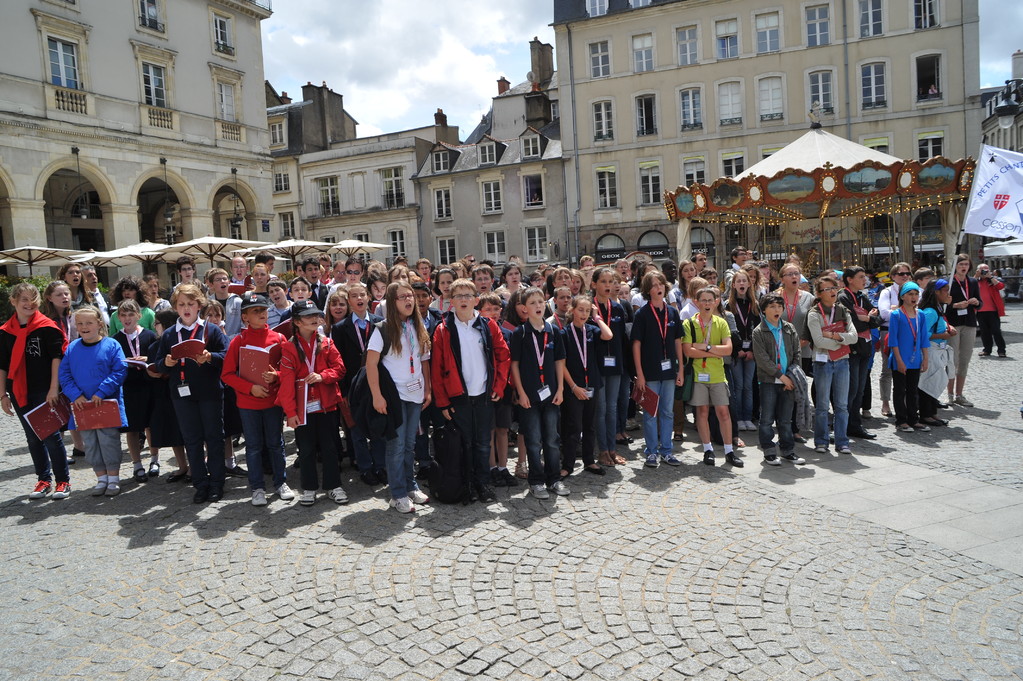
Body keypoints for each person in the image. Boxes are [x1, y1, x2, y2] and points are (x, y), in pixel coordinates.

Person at [430, 279, 511, 502]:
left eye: (468, 296)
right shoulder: (443, 330)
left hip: (484, 395)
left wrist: (499, 385)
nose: (463, 300)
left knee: (483, 443)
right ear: (451, 301)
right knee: (463, 444)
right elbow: (436, 370)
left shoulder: (488, 325)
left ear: (476, 300)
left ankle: (483, 484)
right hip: (458, 397)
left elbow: (503, 356)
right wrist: (443, 402)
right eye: (459, 296)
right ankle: (465, 485)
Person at [154, 284, 229, 503]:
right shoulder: (169, 334)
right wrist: (166, 362)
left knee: (214, 438)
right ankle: (200, 483)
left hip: (209, 392)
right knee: (192, 439)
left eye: (191, 304)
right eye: (181, 304)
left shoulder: (210, 329)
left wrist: (210, 357)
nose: (186, 308)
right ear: (176, 307)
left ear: (199, 305)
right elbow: (158, 364)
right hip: (182, 393)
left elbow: (226, 357)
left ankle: (216, 482)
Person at [221, 292, 295, 507]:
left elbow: (288, 369)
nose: (262, 314)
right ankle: (257, 487)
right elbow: (226, 374)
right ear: (245, 317)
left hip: (272, 402)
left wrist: (277, 376)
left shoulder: (278, 338)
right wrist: (250, 388)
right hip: (248, 403)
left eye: (263, 310)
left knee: (275, 443)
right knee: (253, 447)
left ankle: (281, 482)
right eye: (256, 311)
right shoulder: (238, 341)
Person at [0, 283, 71, 499]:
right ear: (13, 302)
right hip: (18, 390)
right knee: (32, 438)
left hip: (43, 390)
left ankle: (63, 481)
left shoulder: (47, 327)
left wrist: (53, 389)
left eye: (33, 298)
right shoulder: (4, 332)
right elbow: (2, 364)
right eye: (23, 299)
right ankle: (43, 479)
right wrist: (2, 394)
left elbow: (56, 359)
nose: (29, 303)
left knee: (50, 436)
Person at [367, 282, 432, 513]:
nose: (409, 300)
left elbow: (424, 360)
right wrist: (377, 396)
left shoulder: (418, 325)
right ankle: (397, 493)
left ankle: (410, 485)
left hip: (415, 393)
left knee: (410, 444)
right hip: (394, 396)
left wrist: (428, 389)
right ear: (392, 302)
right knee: (396, 445)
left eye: (411, 296)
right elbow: (371, 364)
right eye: (403, 296)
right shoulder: (382, 328)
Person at [278, 300, 347, 506]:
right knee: (305, 449)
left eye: (316, 315)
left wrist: (322, 376)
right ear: (297, 321)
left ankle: (334, 486)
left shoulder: (327, 342)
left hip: (327, 405)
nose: (314, 319)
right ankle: (308, 488)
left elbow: (340, 369)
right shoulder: (289, 347)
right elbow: (286, 382)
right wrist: (291, 412)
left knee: (330, 447)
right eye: (308, 316)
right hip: (303, 408)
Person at [58, 305, 128, 496]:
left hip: (104, 403)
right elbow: (64, 375)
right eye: (80, 323)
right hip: (82, 405)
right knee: (90, 442)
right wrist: (76, 395)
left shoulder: (112, 345)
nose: (84, 326)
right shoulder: (72, 348)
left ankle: (113, 477)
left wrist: (102, 391)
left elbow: (120, 370)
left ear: (99, 323)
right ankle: (101, 478)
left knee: (108, 440)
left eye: (89, 322)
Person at [510, 286, 567, 499]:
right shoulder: (520, 333)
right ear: (524, 308)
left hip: (551, 394)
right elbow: (514, 365)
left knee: (552, 438)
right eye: (532, 303)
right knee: (533, 439)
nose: (537, 306)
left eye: (540, 302)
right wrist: (521, 392)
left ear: (546, 305)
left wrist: (561, 388)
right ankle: (536, 480)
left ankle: (554, 479)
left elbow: (560, 361)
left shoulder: (553, 331)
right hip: (530, 397)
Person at [631, 271, 686, 467]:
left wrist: (681, 369)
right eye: (654, 285)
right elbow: (636, 344)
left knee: (667, 412)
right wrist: (640, 374)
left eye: (661, 284)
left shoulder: (672, 312)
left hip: (670, 371)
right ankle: (652, 451)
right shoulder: (642, 314)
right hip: (650, 372)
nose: (659, 288)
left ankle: (667, 450)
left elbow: (678, 341)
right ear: (647, 290)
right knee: (650, 413)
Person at [682, 286, 738, 467]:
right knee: (702, 412)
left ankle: (729, 451)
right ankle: (708, 449)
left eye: (710, 300)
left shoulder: (721, 322)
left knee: (723, 412)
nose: (707, 303)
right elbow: (688, 351)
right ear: (696, 303)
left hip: (717, 375)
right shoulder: (689, 323)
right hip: (699, 375)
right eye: (703, 300)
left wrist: (705, 348)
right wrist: (715, 352)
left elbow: (728, 349)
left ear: (716, 302)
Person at [560, 295, 612, 478]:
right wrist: (573, 387)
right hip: (574, 388)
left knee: (589, 425)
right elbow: (562, 364)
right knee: (573, 427)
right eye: (580, 310)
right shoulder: (564, 333)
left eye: (587, 311)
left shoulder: (592, 330)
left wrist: (597, 317)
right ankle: (567, 464)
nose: (583, 314)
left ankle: (589, 460)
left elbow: (608, 335)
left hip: (592, 385)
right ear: (572, 310)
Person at [751, 294, 805, 466]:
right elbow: (762, 359)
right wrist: (780, 376)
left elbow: (797, 353)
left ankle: (788, 450)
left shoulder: (789, 328)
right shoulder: (759, 331)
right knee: (766, 418)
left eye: (779, 307)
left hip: (788, 380)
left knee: (785, 419)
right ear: (764, 310)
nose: (777, 310)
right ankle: (769, 451)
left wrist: (790, 375)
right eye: (772, 307)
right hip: (769, 381)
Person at [806, 276, 858, 455]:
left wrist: (835, 337)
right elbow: (818, 341)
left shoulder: (843, 310)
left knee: (842, 404)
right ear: (819, 294)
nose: (832, 291)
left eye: (834, 287)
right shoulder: (814, 313)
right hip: (822, 362)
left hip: (842, 361)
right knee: (821, 405)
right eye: (827, 289)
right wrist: (842, 341)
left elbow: (854, 336)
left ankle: (842, 441)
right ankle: (821, 441)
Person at [112, 299, 158, 483]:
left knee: (150, 425)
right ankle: (137, 464)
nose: (127, 318)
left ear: (139, 316)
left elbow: (156, 358)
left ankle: (154, 459)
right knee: (132, 428)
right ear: (118, 318)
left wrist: (147, 357)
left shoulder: (149, 336)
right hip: (128, 387)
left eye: (131, 314)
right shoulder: (115, 339)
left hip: (148, 385)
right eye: (123, 315)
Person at [590, 267, 628, 467]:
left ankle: (612, 449)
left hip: (616, 365)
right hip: (597, 366)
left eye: (610, 281)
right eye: (603, 282)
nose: (607, 285)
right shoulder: (588, 308)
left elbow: (622, 340)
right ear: (594, 284)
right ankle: (602, 450)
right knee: (601, 408)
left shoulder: (618, 308)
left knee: (612, 408)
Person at [838, 266, 880, 440]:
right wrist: (865, 320)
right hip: (852, 349)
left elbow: (877, 320)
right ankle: (846, 425)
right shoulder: (843, 297)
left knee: (860, 388)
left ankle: (854, 424)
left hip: (865, 348)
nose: (865, 280)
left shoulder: (863, 296)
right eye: (861, 277)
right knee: (852, 389)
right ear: (850, 279)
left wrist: (868, 318)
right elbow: (849, 323)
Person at [147, 309, 187, 482]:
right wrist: (151, 372)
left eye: (157, 323)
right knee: (173, 432)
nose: (154, 326)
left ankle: (196, 465)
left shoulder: (180, 341)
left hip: (182, 392)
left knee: (188, 431)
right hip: (163, 394)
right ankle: (182, 466)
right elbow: (154, 364)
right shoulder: (154, 345)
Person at [888, 282, 931, 433]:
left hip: (915, 359)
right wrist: (899, 360)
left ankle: (914, 418)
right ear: (903, 296)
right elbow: (893, 340)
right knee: (900, 390)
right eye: (910, 294)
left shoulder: (921, 315)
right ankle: (901, 420)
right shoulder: (896, 315)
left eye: (916, 294)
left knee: (913, 390)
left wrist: (925, 358)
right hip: (900, 358)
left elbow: (924, 338)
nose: (914, 297)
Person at [918, 280, 956, 428]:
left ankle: (932, 413)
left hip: (938, 350)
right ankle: (926, 415)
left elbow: (940, 325)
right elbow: (923, 334)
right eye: (945, 290)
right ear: (936, 292)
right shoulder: (930, 311)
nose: (948, 293)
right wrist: (944, 335)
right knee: (929, 382)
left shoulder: (937, 309)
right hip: (931, 349)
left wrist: (948, 329)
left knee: (935, 381)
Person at [727, 270, 760, 432]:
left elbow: (759, 331)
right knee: (738, 386)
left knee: (748, 386)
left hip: (751, 352)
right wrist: (737, 350)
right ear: (733, 285)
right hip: (735, 353)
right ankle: (739, 418)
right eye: (738, 281)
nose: (741, 284)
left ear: (749, 284)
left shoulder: (755, 305)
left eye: (744, 281)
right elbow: (727, 332)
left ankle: (748, 417)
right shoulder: (728, 306)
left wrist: (753, 350)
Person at [947, 254, 980, 406]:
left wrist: (976, 302)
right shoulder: (948, 282)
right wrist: (955, 305)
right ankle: (950, 394)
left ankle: (960, 394)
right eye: (961, 264)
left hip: (970, 323)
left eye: (966, 264)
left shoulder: (972, 282)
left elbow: (980, 303)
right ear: (955, 266)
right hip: (953, 323)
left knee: (964, 360)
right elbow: (941, 305)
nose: (964, 267)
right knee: (952, 360)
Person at [975, 264, 1006, 358]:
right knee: (984, 332)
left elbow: (1001, 286)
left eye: (986, 270)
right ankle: (987, 350)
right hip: (980, 311)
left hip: (993, 311)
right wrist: (976, 276)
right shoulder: (976, 281)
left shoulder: (992, 281)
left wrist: (990, 277)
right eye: (982, 270)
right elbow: (968, 286)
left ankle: (1001, 350)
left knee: (996, 331)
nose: (984, 272)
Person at [205, 268, 242, 339]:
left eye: (224, 279)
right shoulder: (207, 303)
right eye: (218, 280)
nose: (222, 281)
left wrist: (229, 339)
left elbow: (243, 326)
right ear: (211, 284)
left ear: (229, 282)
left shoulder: (238, 302)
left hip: (233, 342)